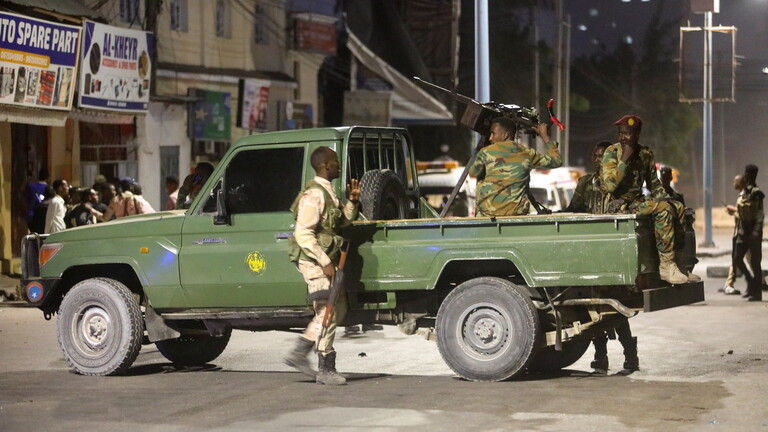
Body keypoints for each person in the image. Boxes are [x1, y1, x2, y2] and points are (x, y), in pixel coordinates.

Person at [284, 146, 361, 386]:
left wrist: (352, 202)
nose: (339, 165)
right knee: (328, 311)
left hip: (324, 259)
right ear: (326, 165)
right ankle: (324, 367)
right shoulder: (314, 194)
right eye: (335, 161)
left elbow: (341, 222)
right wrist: (325, 262)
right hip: (314, 261)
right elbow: (303, 233)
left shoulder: (327, 191)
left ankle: (302, 352)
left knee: (337, 308)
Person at [601, 115, 698, 284]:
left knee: (676, 207)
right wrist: (624, 159)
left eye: (628, 133)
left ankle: (679, 264)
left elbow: (654, 185)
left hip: (637, 202)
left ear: (637, 134)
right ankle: (666, 266)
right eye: (621, 133)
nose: (623, 138)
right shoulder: (612, 153)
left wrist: (667, 199)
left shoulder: (645, 154)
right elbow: (610, 185)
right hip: (618, 205)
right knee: (663, 210)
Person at [469, 117, 562, 216]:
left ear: (505, 135)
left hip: (487, 215)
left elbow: (473, 173)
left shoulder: (486, 152)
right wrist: (544, 135)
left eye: (493, 133)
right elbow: (556, 161)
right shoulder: (527, 153)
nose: (490, 138)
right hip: (516, 216)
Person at [730, 164, 764, 301]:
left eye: (747, 173)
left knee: (755, 262)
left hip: (753, 230)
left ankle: (757, 292)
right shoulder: (744, 192)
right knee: (737, 258)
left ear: (752, 175)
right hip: (743, 230)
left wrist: (756, 231)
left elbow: (760, 214)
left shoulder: (756, 193)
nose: (746, 175)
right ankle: (751, 282)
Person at [565, 141, 612, 213]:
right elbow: (573, 209)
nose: (596, 160)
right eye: (594, 156)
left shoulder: (616, 181)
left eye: (600, 156)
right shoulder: (585, 181)